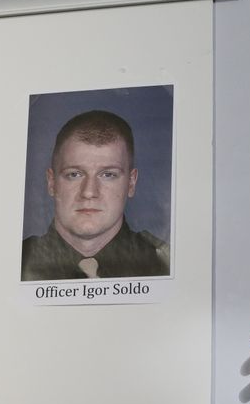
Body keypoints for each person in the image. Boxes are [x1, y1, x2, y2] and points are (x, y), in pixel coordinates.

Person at [21, 110, 169, 281]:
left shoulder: (166, 265)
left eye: (108, 175)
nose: (89, 192)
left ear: (131, 183)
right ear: (51, 182)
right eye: (74, 174)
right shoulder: (13, 265)